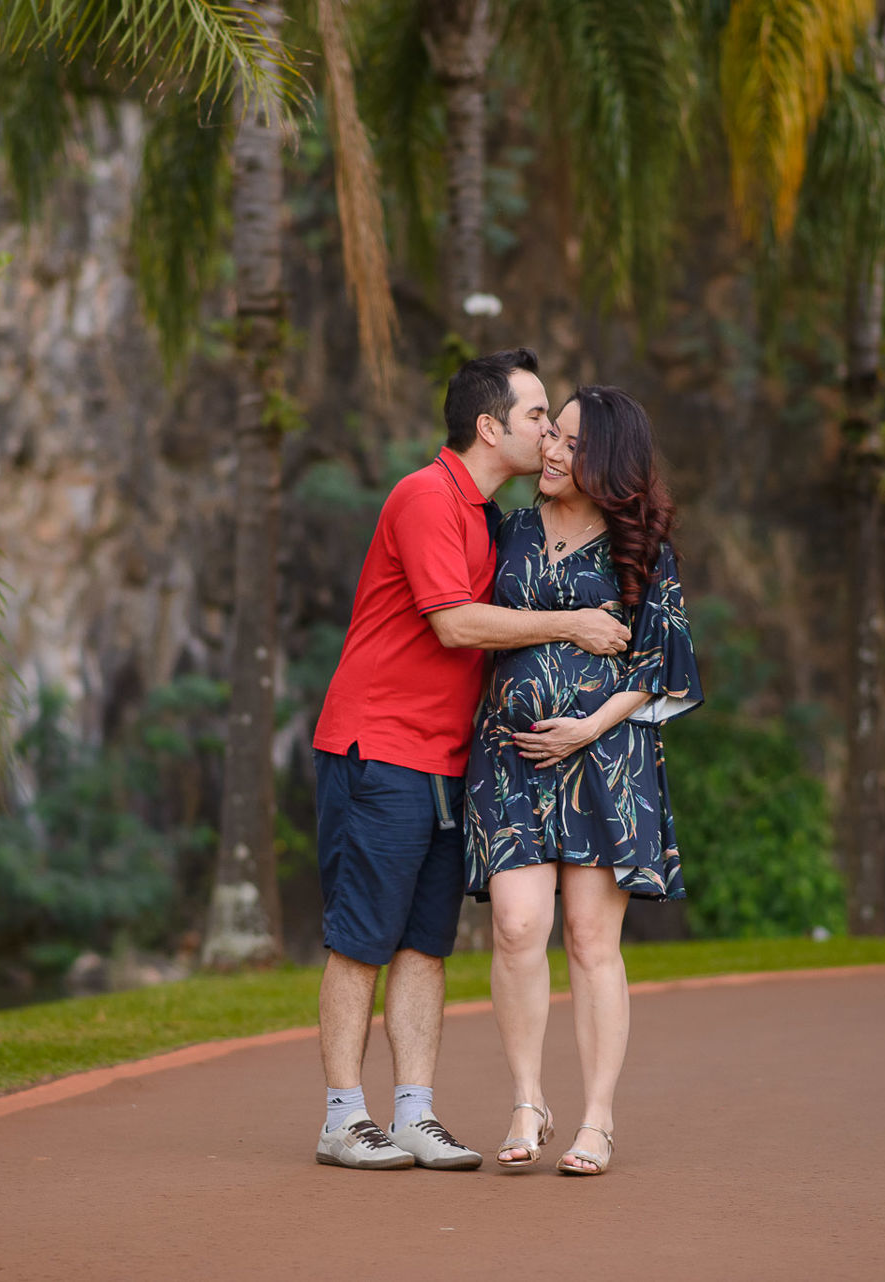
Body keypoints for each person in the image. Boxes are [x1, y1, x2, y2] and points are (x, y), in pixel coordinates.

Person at [310, 349, 634, 1171]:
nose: (550, 435)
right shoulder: (425, 496)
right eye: (537, 417)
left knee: (426, 943)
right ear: (490, 427)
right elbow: (454, 624)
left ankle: (413, 1114)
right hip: (379, 748)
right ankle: (343, 1118)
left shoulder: (492, 520)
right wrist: (572, 623)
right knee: (361, 939)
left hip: (450, 762)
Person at [463, 384, 702, 1176]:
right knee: (515, 927)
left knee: (592, 939)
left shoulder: (643, 547)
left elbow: (661, 662)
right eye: (551, 435)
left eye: (571, 441)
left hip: (605, 760)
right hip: (510, 756)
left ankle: (597, 1118)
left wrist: (589, 727)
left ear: (607, 457)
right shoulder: (507, 531)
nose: (552, 450)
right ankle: (528, 1099)